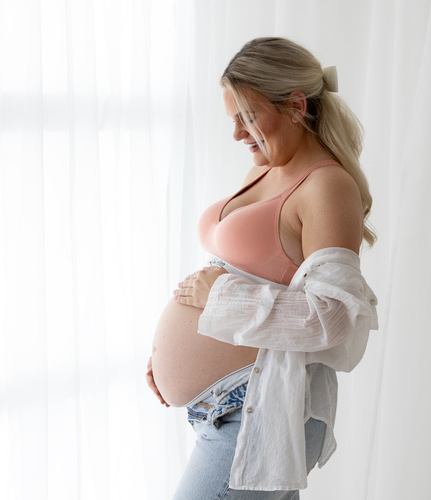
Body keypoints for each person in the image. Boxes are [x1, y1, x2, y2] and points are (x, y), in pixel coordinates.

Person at [146, 37, 379, 499]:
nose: (236, 133)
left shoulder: (327, 186)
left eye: (247, 117)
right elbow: (250, 267)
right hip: (224, 406)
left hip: (260, 407)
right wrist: (167, 356)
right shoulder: (266, 167)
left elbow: (332, 317)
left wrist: (218, 299)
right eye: (231, 118)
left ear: (296, 105)